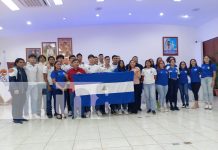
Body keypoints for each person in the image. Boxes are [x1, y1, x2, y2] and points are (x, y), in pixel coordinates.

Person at [9, 58, 28, 124]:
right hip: (16, 90)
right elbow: (12, 80)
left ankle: (20, 116)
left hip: (22, 90)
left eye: (23, 62)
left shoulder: (22, 69)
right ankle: (16, 118)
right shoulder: (13, 70)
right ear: (16, 63)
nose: (22, 63)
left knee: (21, 103)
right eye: (20, 62)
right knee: (16, 104)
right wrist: (15, 89)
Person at [24, 54, 39, 118]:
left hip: (35, 85)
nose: (33, 59)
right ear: (28, 59)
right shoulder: (25, 66)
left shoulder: (36, 66)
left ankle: (34, 113)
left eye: (34, 58)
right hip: (27, 85)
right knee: (26, 100)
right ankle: (26, 114)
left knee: (34, 99)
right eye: (31, 58)